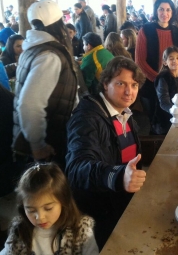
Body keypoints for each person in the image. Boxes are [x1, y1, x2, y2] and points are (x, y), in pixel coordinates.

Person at [66, 57, 146, 248]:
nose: (129, 91)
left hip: (122, 202)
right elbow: (76, 168)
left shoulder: (124, 113)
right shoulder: (87, 117)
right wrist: (118, 176)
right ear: (105, 84)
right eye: (121, 84)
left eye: (134, 85)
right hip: (99, 213)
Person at [13, 0, 77, 168]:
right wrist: (38, 145)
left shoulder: (33, 48)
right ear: (58, 24)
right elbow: (29, 105)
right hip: (49, 145)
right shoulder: (49, 56)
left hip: (41, 138)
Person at [0, 163, 98, 255]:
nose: (40, 217)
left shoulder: (81, 231)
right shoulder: (20, 231)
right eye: (31, 210)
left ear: (63, 201)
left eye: (48, 208)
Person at [135, 0, 178, 133]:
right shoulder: (146, 30)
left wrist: (173, 79)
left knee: (174, 122)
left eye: (168, 10)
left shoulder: (176, 31)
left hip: (173, 84)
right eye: (161, 9)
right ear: (156, 11)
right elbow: (140, 61)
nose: (164, 13)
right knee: (155, 124)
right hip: (151, 84)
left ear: (172, 12)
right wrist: (159, 79)